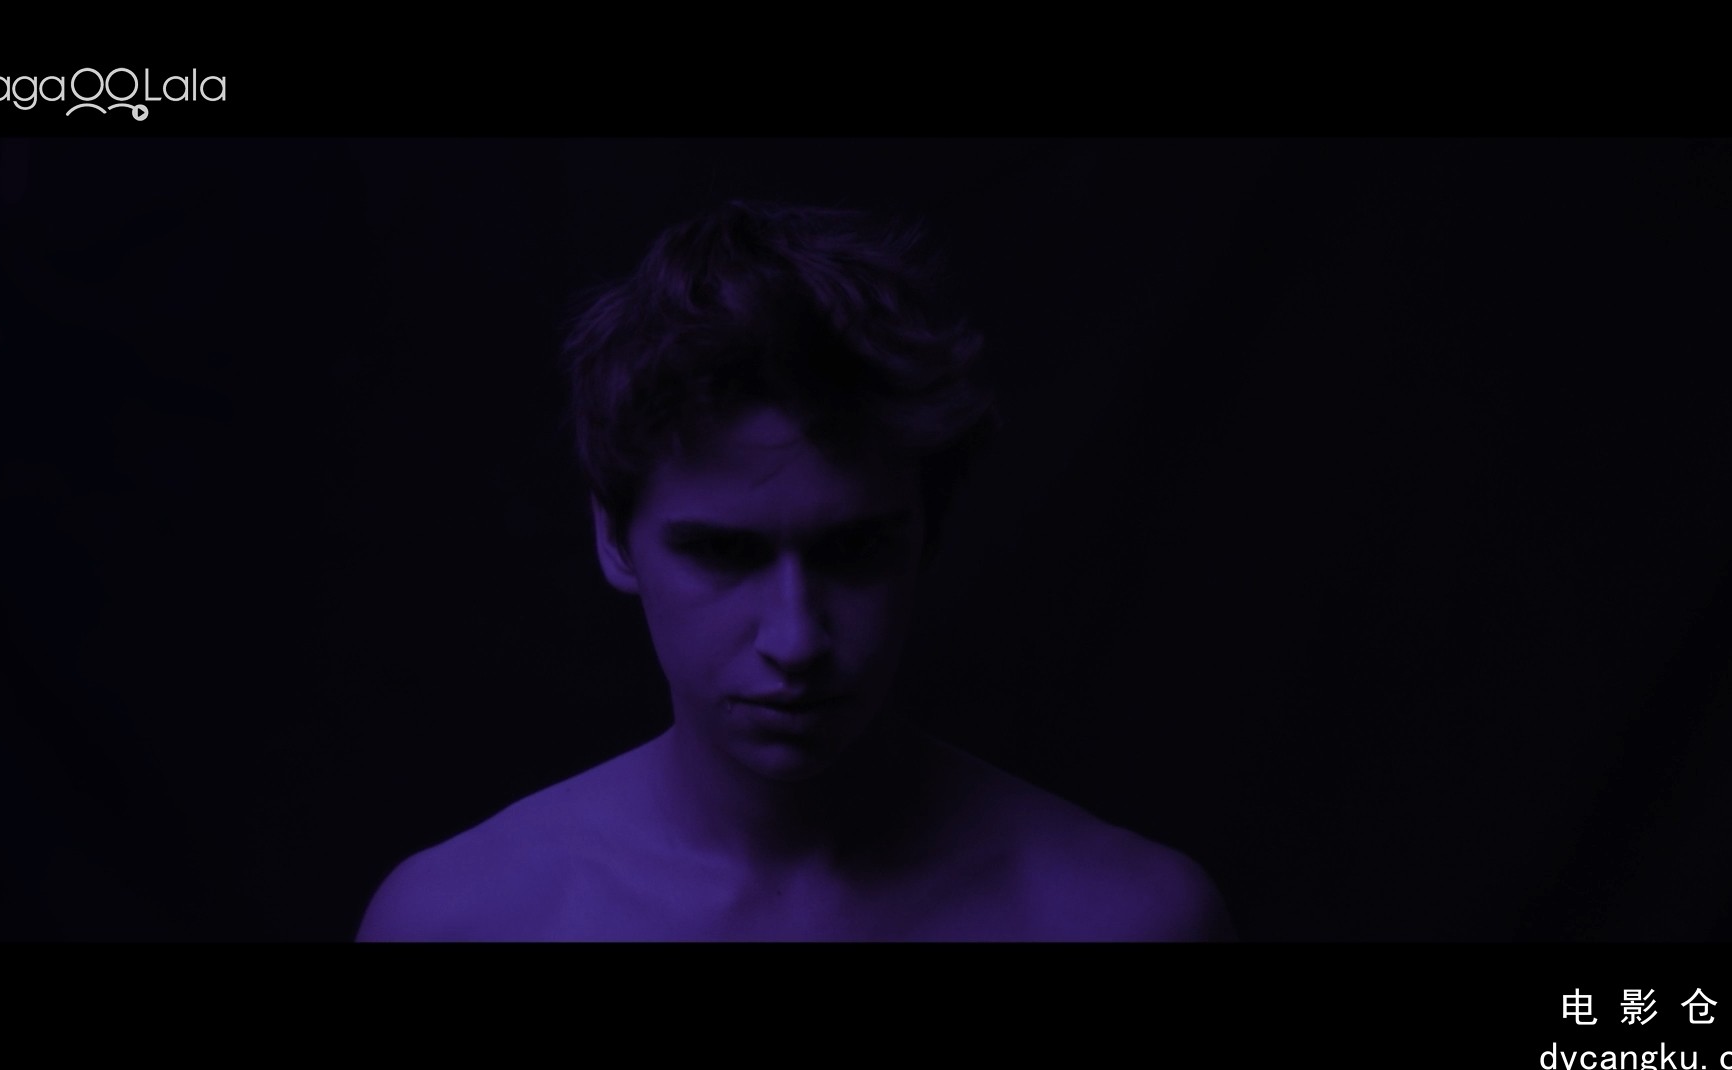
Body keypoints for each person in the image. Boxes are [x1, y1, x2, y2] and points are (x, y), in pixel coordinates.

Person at [357, 201, 1234, 941]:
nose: (797, 639)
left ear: (927, 536)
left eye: (853, 550)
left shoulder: (1124, 919)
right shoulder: (463, 922)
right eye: (723, 552)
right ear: (615, 540)